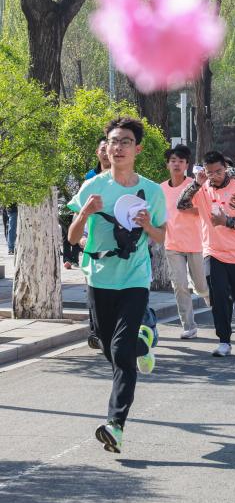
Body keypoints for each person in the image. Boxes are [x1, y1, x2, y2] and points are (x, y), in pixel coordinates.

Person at [67, 117, 166, 454]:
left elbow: (162, 237)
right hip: (99, 277)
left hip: (134, 278)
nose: (118, 147)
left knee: (121, 353)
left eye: (126, 141)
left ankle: (115, 425)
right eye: (113, 141)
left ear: (137, 149)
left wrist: (148, 225)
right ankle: (143, 343)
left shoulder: (152, 191)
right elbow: (72, 238)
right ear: (105, 148)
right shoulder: (93, 186)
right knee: (110, 349)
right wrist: (85, 212)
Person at [178, 150, 235, 357]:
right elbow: (181, 205)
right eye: (210, 172)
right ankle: (224, 341)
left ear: (225, 168)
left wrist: (226, 221)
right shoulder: (201, 189)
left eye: (218, 171)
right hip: (212, 251)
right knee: (218, 296)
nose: (214, 176)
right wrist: (196, 183)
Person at [161, 144, 209, 338]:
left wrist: (189, 209)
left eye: (181, 161)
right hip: (172, 244)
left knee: (200, 286)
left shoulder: (194, 186)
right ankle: (189, 325)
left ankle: (207, 296)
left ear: (187, 165)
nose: (176, 164)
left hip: (195, 243)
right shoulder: (161, 189)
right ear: (167, 165)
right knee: (179, 285)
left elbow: (206, 209)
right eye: (173, 161)